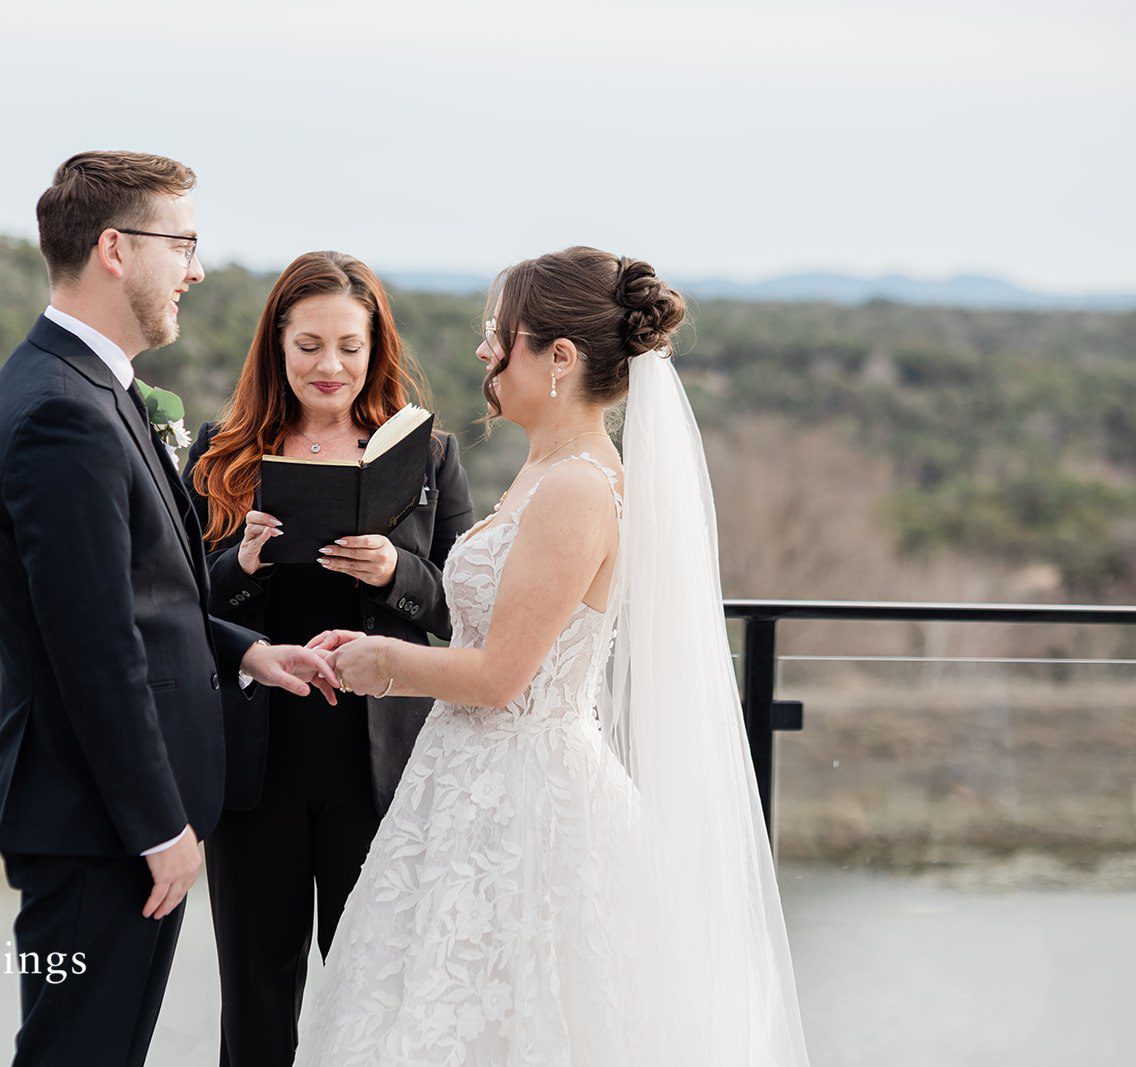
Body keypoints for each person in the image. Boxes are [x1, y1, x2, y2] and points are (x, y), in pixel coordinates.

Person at [296, 248, 811, 1064]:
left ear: (559, 357)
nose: (483, 353)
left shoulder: (576, 488)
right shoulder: (540, 469)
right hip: (462, 779)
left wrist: (381, 662)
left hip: (525, 799)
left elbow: (503, 677)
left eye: (500, 336)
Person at [0, 151, 338, 1067]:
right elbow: (91, 651)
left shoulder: (94, 388)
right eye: (184, 244)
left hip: (107, 821)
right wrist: (158, 827)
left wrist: (246, 650)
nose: (197, 270)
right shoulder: (66, 412)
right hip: (102, 827)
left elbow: (138, 601)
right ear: (115, 250)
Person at [182, 251, 475, 1067]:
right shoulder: (220, 452)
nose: (330, 366)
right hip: (257, 766)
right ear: (276, 343)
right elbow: (173, 606)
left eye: (349, 345)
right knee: (255, 1001)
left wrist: (395, 573)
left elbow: (464, 607)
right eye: (309, 344)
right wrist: (239, 567)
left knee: (375, 999)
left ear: (376, 345)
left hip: (379, 769)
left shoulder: (427, 456)